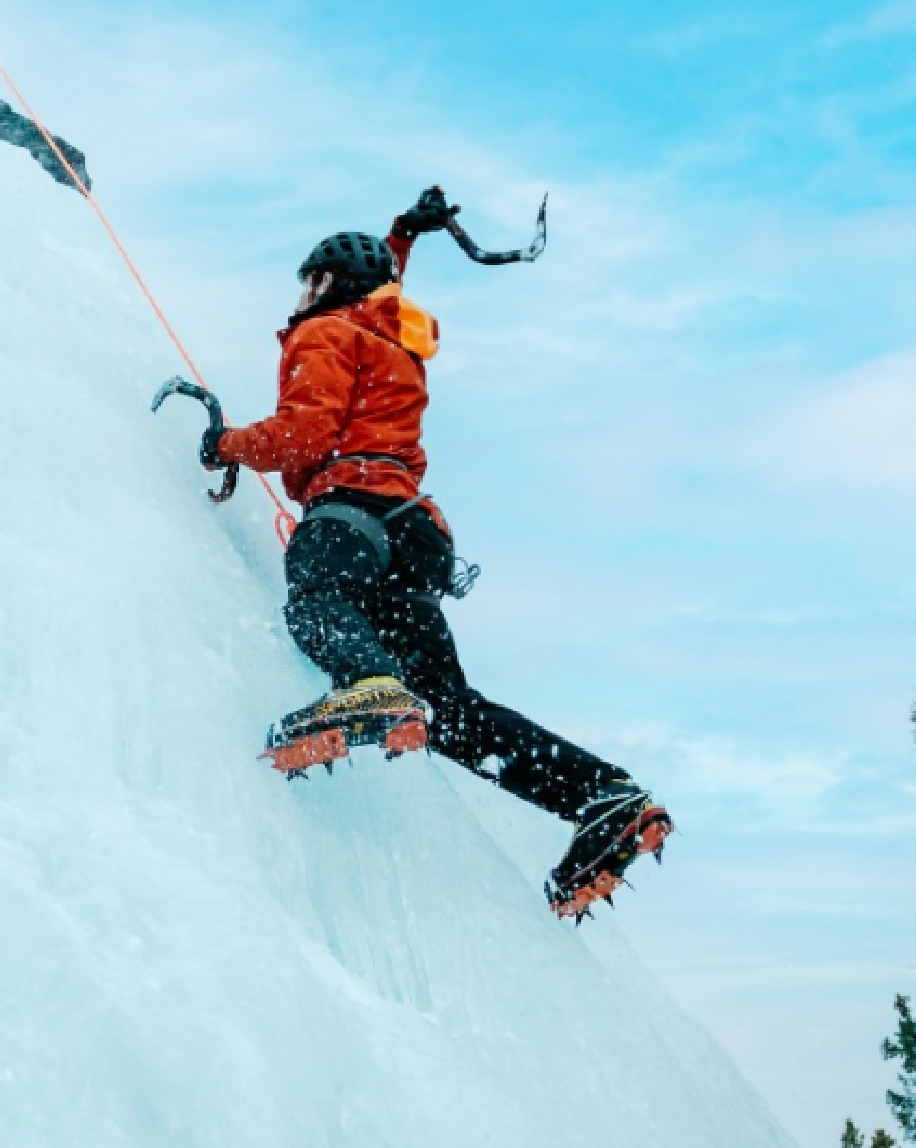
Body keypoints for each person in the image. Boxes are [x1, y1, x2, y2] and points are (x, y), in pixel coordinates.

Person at [201, 199, 672, 919]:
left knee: (319, 599)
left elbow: (302, 434)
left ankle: (366, 682)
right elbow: (382, 293)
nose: (300, 298)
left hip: (348, 511)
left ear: (328, 284)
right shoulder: (394, 339)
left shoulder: (324, 331)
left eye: (309, 283)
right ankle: (603, 796)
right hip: (414, 536)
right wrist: (401, 238)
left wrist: (225, 444)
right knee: (450, 711)